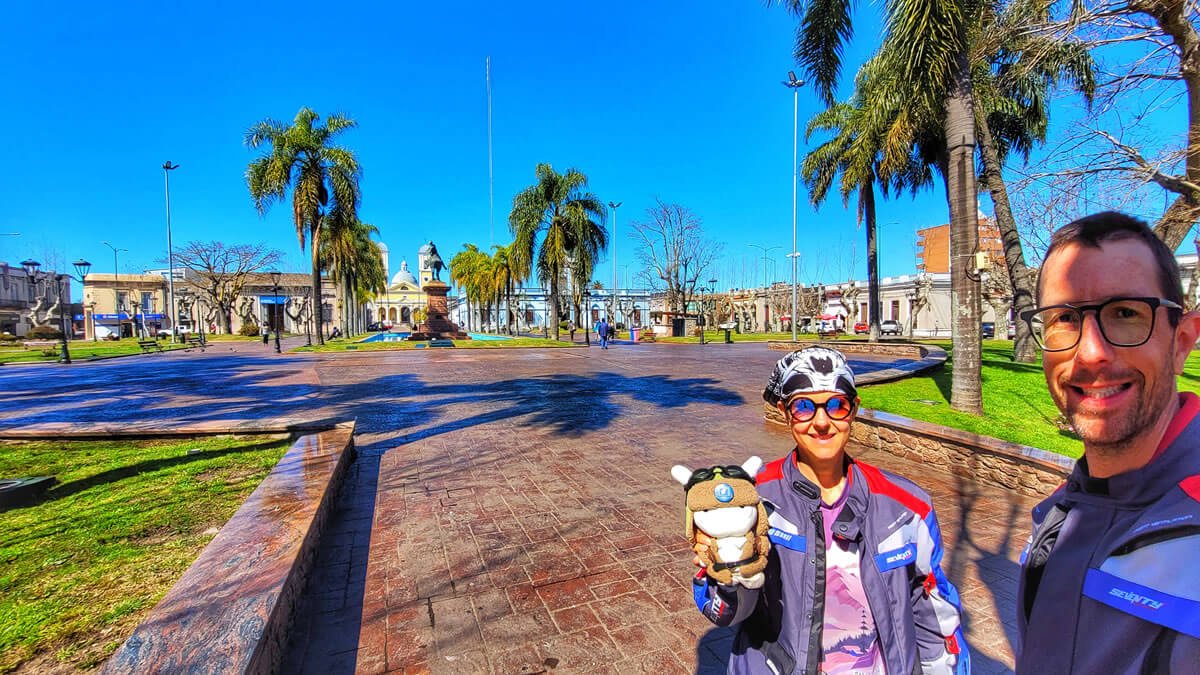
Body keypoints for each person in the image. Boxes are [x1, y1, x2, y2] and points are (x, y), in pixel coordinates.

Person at [690, 346, 969, 674]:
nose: (821, 422)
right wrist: (729, 573)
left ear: (853, 410)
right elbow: (726, 613)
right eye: (804, 406)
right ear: (785, 411)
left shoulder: (907, 507)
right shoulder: (751, 499)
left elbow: (931, 608)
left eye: (836, 405)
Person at [1015, 212, 1200, 673]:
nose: (1091, 352)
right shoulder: (1060, 512)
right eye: (1065, 318)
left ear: (1182, 341)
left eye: (1124, 314)